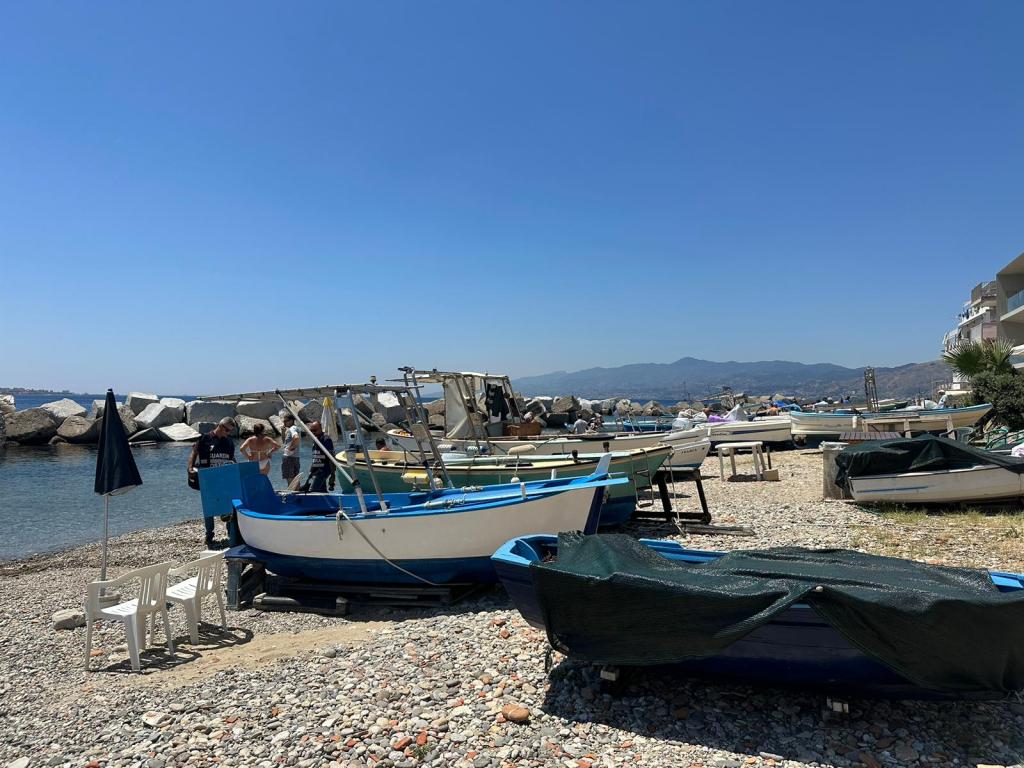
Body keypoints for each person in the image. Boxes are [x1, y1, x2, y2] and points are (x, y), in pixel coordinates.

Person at [187, 417, 237, 548]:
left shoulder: (229, 442)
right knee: (209, 508)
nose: (228, 433)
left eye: (230, 431)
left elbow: (232, 458)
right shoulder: (204, 438)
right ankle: (209, 536)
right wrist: (190, 467)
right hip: (207, 479)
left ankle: (230, 534)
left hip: (223, 480)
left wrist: (236, 471)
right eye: (227, 430)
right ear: (220, 426)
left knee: (228, 507)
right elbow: (194, 452)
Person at [302, 420, 335, 493]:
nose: (313, 432)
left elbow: (332, 457)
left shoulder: (326, 439)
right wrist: (311, 471)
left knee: (313, 490)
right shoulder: (316, 439)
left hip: (324, 470)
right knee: (322, 491)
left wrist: (333, 475)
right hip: (317, 470)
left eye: (315, 430)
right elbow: (316, 457)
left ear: (320, 428)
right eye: (311, 431)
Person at [280, 413, 301, 485]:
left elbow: (296, 438)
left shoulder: (292, 428)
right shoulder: (294, 428)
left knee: (290, 480)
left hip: (289, 458)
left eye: (286, 421)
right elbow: (285, 443)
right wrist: (283, 432)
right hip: (295, 457)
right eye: (284, 421)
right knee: (295, 480)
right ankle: (297, 491)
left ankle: (291, 492)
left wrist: (290, 448)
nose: (284, 423)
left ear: (291, 421)